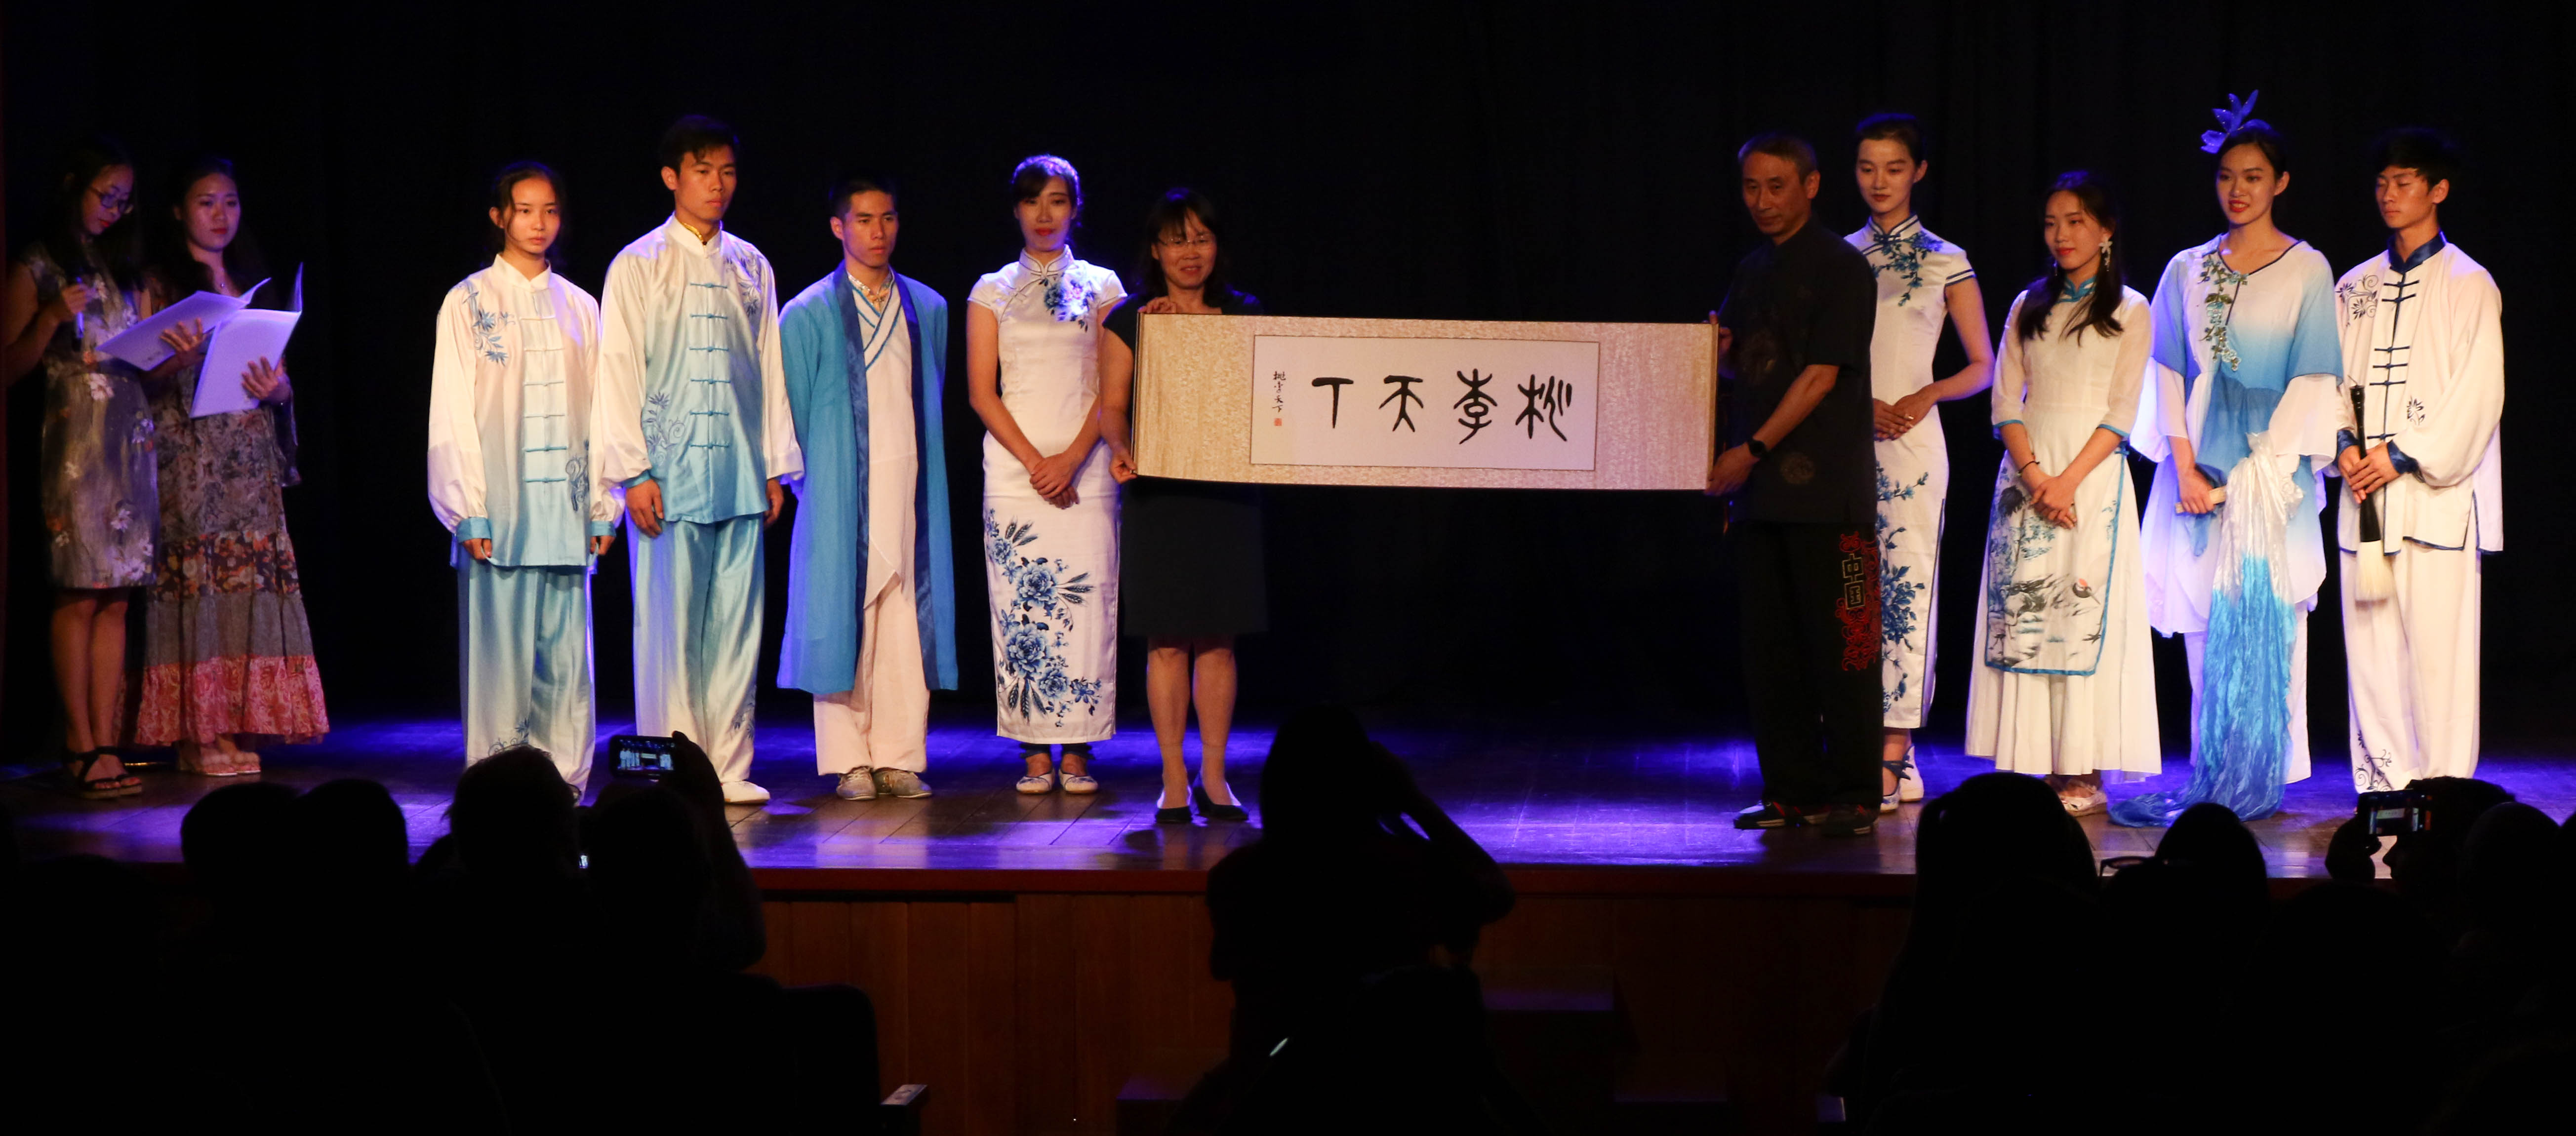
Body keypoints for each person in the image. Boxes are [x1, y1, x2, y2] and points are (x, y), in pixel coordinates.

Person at [2121, 94, 2342, 826]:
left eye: (2252, 176)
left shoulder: (2307, 269)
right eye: (2226, 176)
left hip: (2269, 476)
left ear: (2280, 182)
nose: (2237, 189)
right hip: (2197, 471)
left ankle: (2261, 774)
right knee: (2203, 625)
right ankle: (2213, 771)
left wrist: (2255, 477)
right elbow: (2167, 373)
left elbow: (2312, 380)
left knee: (2269, 616)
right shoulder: (2187, 269)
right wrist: (2185, 468)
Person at [591, 116, 802, 806]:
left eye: (727, 172)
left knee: (738, 624)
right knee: (669, 627)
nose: (717, 185)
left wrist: (774, 466)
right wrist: (633, 472)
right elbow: (618, 370)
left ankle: (729, 765)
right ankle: (673, 766)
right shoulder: (639, 264)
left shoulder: (752, 265)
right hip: (668, 475)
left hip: (740, 469)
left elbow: (769, 367)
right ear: (671, 177)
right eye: (703, 171)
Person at [1963, 173, 2161, 813]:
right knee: (2027, 617)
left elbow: (2123, 411)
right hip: (2028, 477)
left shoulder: (2130, 309)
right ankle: (2032, 761)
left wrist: (2067, 481)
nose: (2061, 235)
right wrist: (2035, 477)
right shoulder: (2028, 305)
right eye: (2052, 223)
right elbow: (2004, 401)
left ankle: (2081, 768)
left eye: (2075, 221)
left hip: (2092, 481)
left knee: (2078, 617)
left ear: (2105, 232)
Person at [426, 162, 620, 792]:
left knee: (565, 661)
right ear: (499, 216)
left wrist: (603, 503)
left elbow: (603, 411)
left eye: (550, 210)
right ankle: (497, 783)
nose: (539, 223)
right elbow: (452, 409)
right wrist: (466, 508)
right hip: (500, 509)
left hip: (566, 510)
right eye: (526, 210)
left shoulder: (581, 307)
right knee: (498, 656)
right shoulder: (468, 301)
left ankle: (564, 779)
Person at [135, 156, 330, 773]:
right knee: (201, 585)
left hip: (248, 460)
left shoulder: (250, 284)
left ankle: (236, 724)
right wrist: (178, 358)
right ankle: (199, 733)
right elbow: (137, 375)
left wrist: (280, 390)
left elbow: (277, 373)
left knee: (246, 585)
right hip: (192, 461)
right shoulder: (160, 283)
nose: (221, 215)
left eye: (230, 202)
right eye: (206, 202)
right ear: (178, 211)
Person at [1713, 133, 1882, 838]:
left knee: (1845, 646)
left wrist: (1750, 450)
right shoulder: (1751, 269)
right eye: (1751, 187)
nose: (1762, 201)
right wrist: (1717, 354)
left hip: (1828, 493)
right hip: (1761, 496)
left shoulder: (1842, 267)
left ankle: (1856, 792)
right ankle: (1791, 790)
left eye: (1776, 186)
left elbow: (1820, 375)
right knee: (1771, 650)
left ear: (1810, 186)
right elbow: (1746, 367)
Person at [2329, 128, 2503, 791]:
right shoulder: (2354, 286)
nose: (2389, 194)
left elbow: (2479, 394)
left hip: (2434, 501)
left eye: (2403, 182)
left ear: (2438, 190)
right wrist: (2345, 446)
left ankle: (2444, 795)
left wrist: (2401, 454)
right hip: (2365, 499)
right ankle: (2384, 792)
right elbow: (2329, 384)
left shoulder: (2468, 283)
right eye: (2382, 183)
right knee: (2371, 657)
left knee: (2439, 658)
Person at [777, 174, 960, 801]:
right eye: (863, 220)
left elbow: (930, 393)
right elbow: (795, 411)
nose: (878, 232)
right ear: (838, 227)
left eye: (887, 219)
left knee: (906, 615)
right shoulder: (806, 313)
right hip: (837, 488)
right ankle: (848, 759)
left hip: (909, 483)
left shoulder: (928, 308)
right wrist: (813, 485)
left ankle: (900, 755)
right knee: (841, 612)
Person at [1844, 114, 1993, 812]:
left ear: (1919, 172)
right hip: (1845, 441)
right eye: (1867, 167)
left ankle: (1895, 748)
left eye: (1894, 167)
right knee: (1850, 593)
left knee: (1906, 590)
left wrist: (1925, 393)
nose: (1880, 181)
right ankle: (1856, 739)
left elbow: (1982, 365)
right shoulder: (1837, 257)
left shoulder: (1945, 259)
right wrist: (1858, 403)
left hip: (1911, 445)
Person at [1100, 188, 1263, 824]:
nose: (1190, 252)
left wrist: (1193, 337)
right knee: (1166, 640)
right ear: (1155, 250)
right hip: (1159, 491)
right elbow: (1113, 407)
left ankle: (1214, 777)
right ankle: (1173, 777)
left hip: (1225, 491)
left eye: (1200, 238)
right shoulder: (1131, 319)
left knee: (1218, 640)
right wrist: (1121, 448)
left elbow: (1258, 398)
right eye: (1176, 240)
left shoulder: (1243, 313)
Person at [965, 155, 1126, 794]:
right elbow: (982, 392)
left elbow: (1114, 387)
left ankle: (1079, 749)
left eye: (1056, 201)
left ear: (1075, 210)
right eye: (1032, 201)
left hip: (1088, 469)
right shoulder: (992, 289)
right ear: (1016, 210)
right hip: (1015, 475)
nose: (1043, 214)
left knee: (1088, 606)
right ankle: (1033, 751)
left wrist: (1072, 458)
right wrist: (1036, 463)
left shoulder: (1104, 286)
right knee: (1020, 608)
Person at [0, 137, 150, 798]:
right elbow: (9, 367)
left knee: (117, 596)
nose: (115, 210)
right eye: (105, 195)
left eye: (125, 200)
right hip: (76, 442)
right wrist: (50, 318)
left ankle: (106, 740)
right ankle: (78, 741)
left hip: (131, 439)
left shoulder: (126, 267)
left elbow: (146, 361)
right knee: (79, 591)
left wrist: (173, 349)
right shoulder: (37, 265)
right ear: (73, 187)